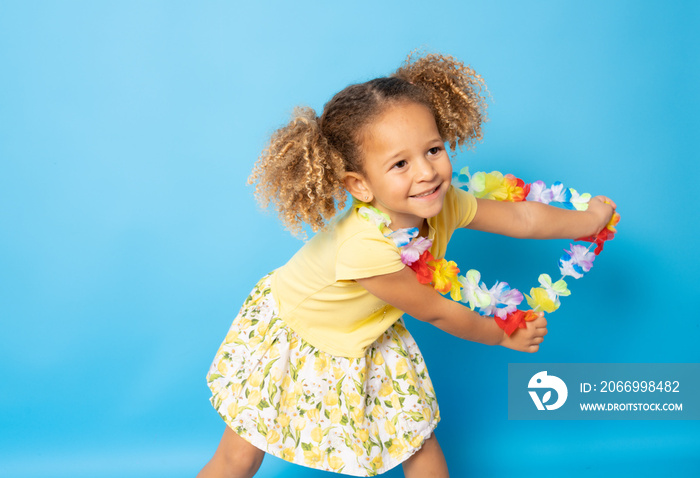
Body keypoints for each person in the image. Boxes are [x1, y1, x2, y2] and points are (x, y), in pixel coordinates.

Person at [198, 52, 616, 478]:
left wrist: (588, 221)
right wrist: (500, 335)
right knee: (240, 455)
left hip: (367, 330)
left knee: (417, 439)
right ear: (359, 185)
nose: (426, 172)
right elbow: (434, 308)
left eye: (433, 150)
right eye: (400, 164)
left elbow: (521, 218)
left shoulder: (442, 202)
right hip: (298, 335)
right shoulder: (366, 248)